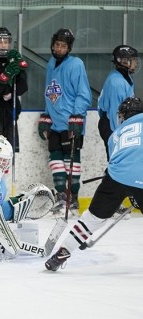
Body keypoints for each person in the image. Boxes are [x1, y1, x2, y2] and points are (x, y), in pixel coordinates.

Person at [45, 96, 143, 271]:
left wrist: (130, 190)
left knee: (92, 219)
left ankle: (61, 253)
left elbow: (119, 164)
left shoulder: (116, 134)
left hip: (116, 178)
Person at [38, 28, 92, 215]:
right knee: (55, 160)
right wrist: (46, 116)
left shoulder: (76, 64)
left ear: (69, 48)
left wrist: (77, 118)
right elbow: (50, 92)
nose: (59, 49)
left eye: (63, 46)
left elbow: (83, 93)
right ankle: (61, 196)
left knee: (72, 161)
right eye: (57, 45)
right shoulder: (51, 64)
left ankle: (74, 199)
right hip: (55, 122)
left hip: (70, 120)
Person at [97, 45, 140, 216]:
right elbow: (116, 113)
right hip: (112, 126)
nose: (135, 64)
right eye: (133, 61)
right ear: (123, 61)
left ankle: (116, 200)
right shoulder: (116, 82)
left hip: (119, 126)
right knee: (117, 162)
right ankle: (111, 202)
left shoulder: (124, 78)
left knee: (121, 162)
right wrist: (120, 136)